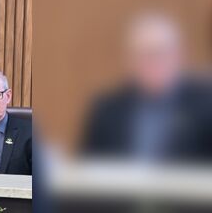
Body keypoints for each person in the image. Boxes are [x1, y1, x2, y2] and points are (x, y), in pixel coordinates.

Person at [81, 13, 212, 161]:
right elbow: (87, 167)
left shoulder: (206, 106)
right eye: (144, 55)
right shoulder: (107, 109)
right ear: (129, 61)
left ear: (179, 56)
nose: (154, 62)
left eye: (161, 53)